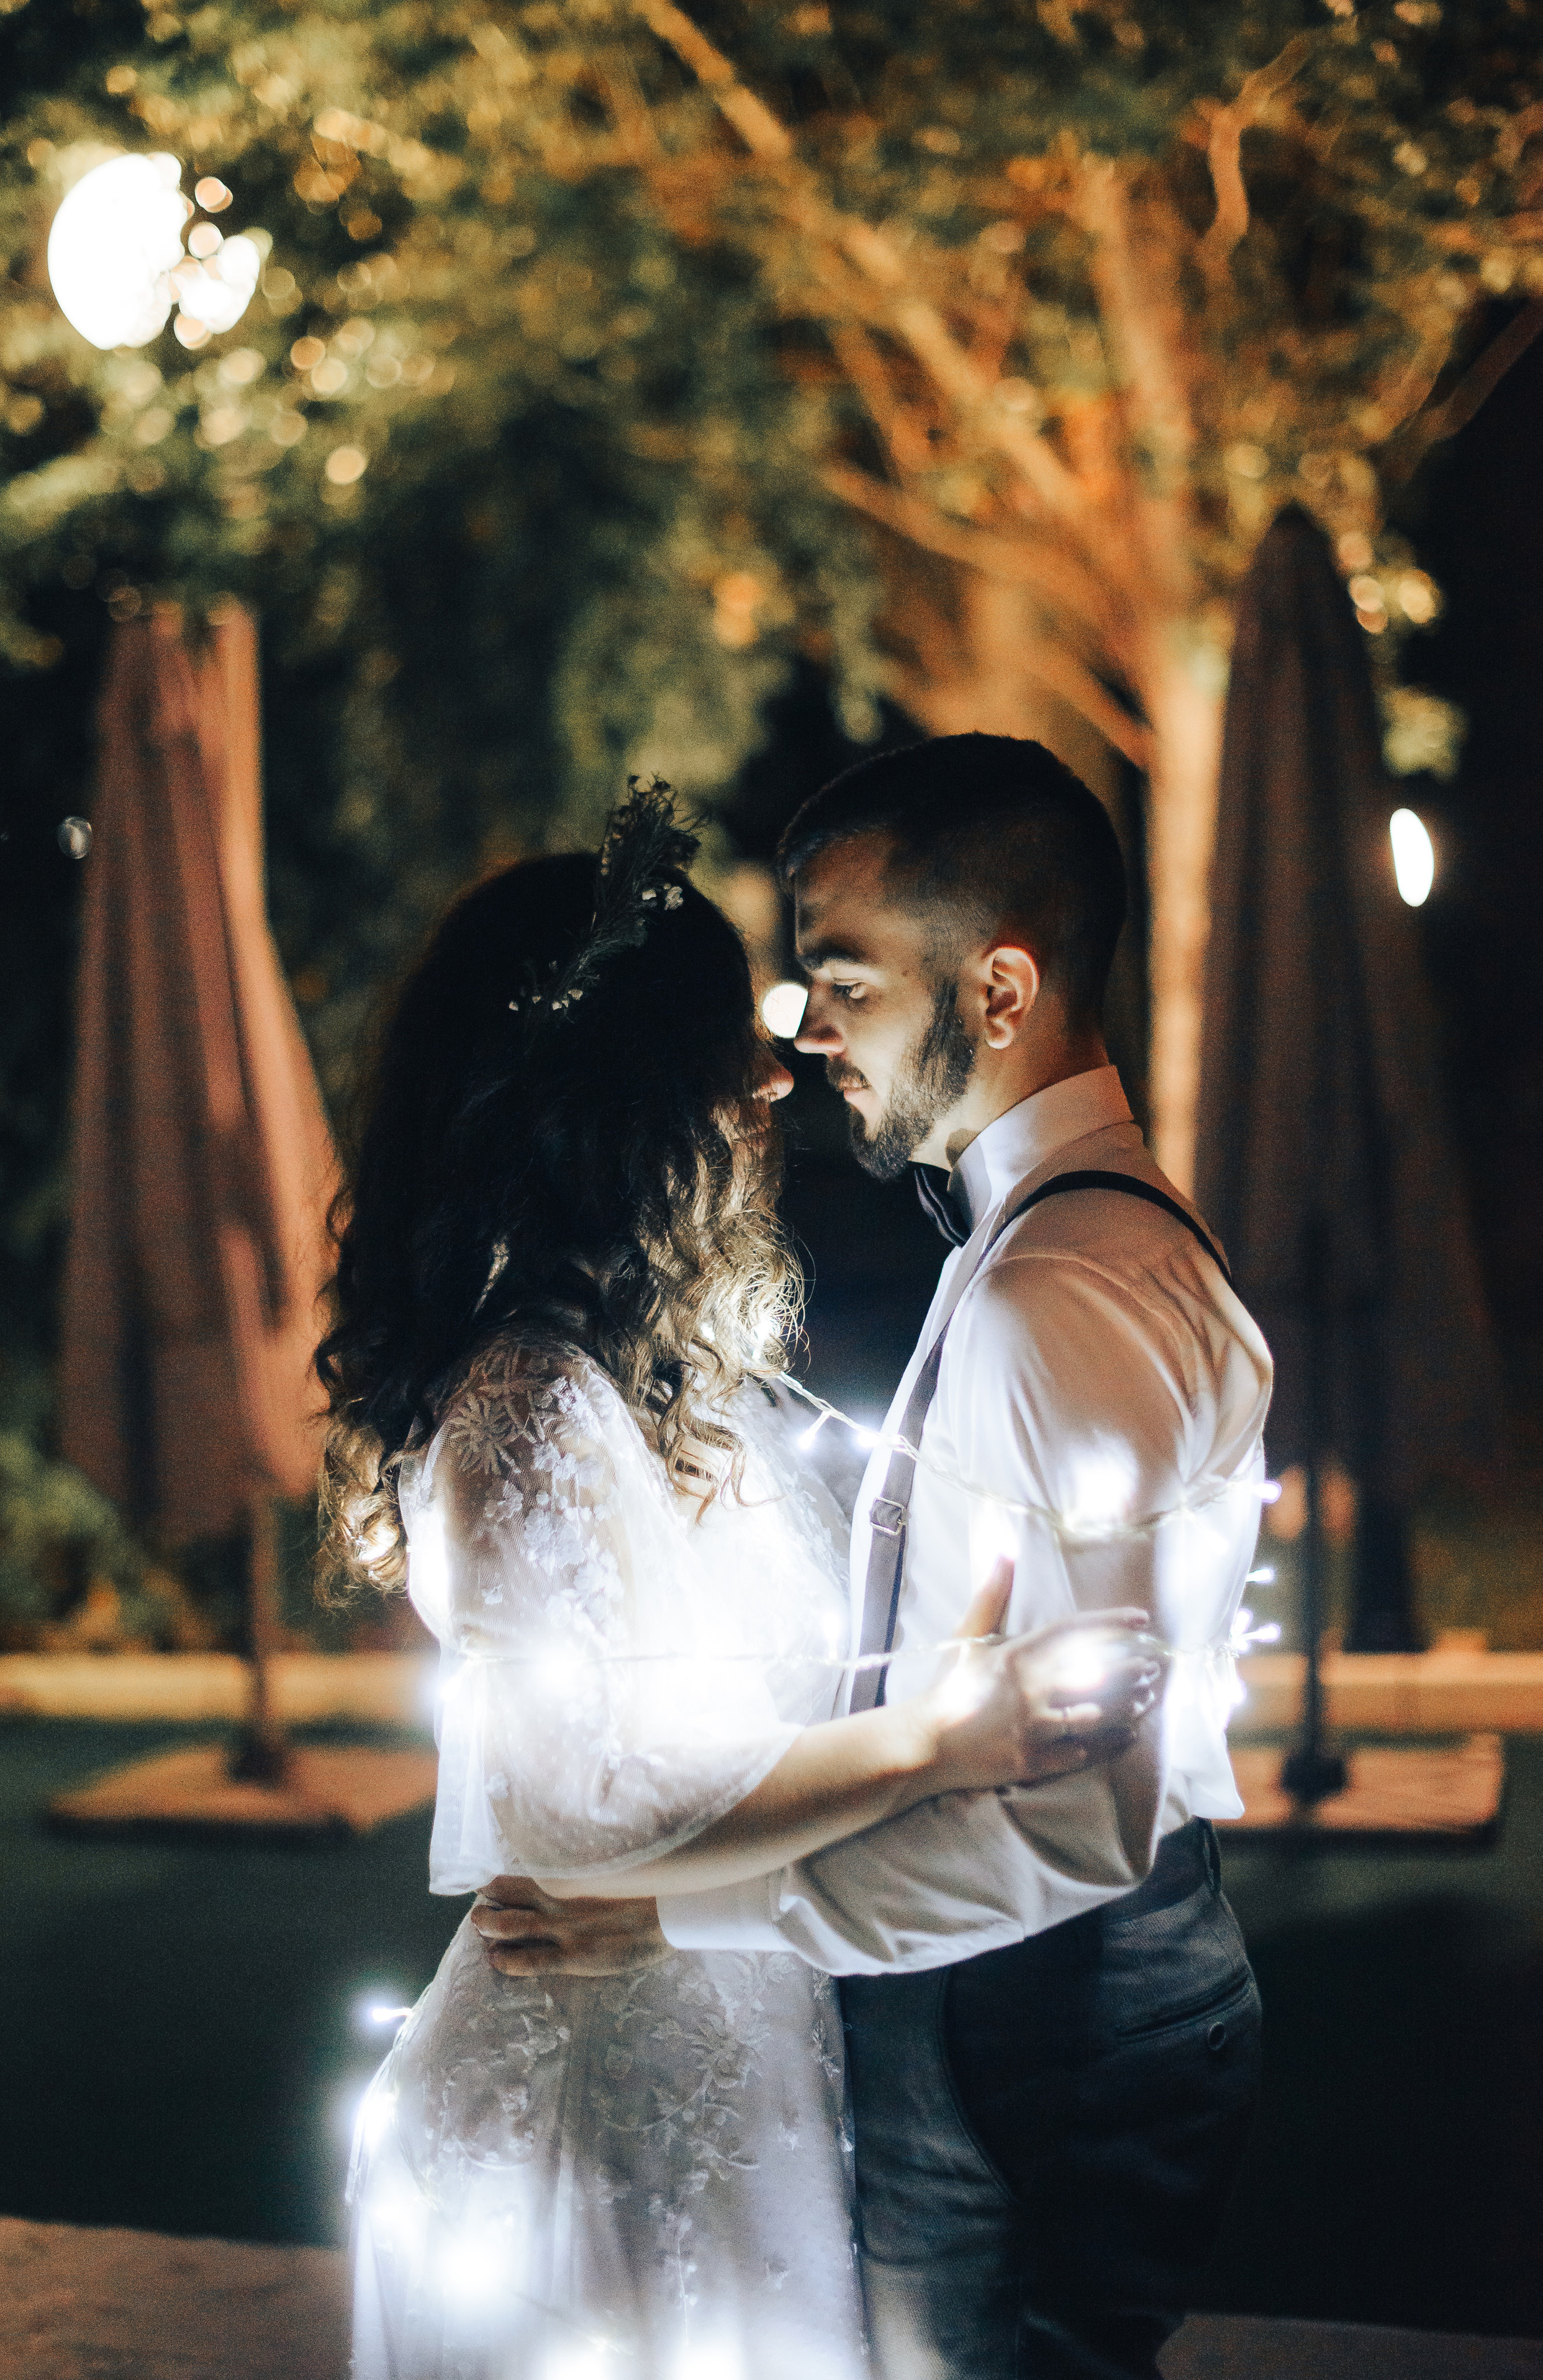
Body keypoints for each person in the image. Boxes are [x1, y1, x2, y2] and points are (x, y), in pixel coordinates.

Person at [315, 782, 1161, 2380]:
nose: (775, 1070)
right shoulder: (522, 1406)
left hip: (735, 2064)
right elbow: (596, 1817)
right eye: (734, 1035)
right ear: (624, 1088)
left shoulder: (658, 1378)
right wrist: (941, 1741)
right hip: (595, 2135)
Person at [475, 738, 1274, 2380]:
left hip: (1032, 1999)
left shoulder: (1062, 1290)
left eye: (842, 981)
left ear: (997, 989)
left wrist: (693, 1909)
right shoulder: (1070, 1239)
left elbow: (1081, 1823)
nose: (806, 1031)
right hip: (1032, 1984)